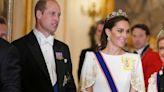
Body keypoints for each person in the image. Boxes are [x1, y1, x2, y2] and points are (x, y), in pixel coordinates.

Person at [12, 0, 76, 92]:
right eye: (52, 14)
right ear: (39, 14)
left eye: (58, 15)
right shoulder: (19, 47)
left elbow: (69, 84)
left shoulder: (63, 48)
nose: (57, 19)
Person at [79, 9, 145, 92]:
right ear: (108, 32)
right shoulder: (92, 58)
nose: (125, 35)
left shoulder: (134, 59)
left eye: (127, 31)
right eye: (120, 31)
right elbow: (87, 89)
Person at [131, 24, 162, 91]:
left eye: (140, 36)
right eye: (134, 36)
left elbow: (153, 82)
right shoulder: (130, 56)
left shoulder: (153, 56)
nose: (137, 39)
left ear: (147, 37)